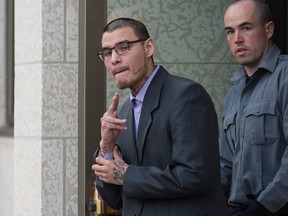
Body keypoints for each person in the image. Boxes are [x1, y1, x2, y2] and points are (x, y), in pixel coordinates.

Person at [91, 17, 228, 216]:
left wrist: (127, 175)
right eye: (107, 52)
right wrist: (107, 148)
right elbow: (115, 199)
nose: (114, 59)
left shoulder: (186, 96)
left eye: (124, 47)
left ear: (148, 48)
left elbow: (195, 175)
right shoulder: (122, 113)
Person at [220, 0, 288, 215]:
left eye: (246, 28)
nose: (237, 39)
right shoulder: (234, 90)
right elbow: (226, 164)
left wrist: (264, 207)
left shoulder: (285, 76)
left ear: (268, 30)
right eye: (230, 32)